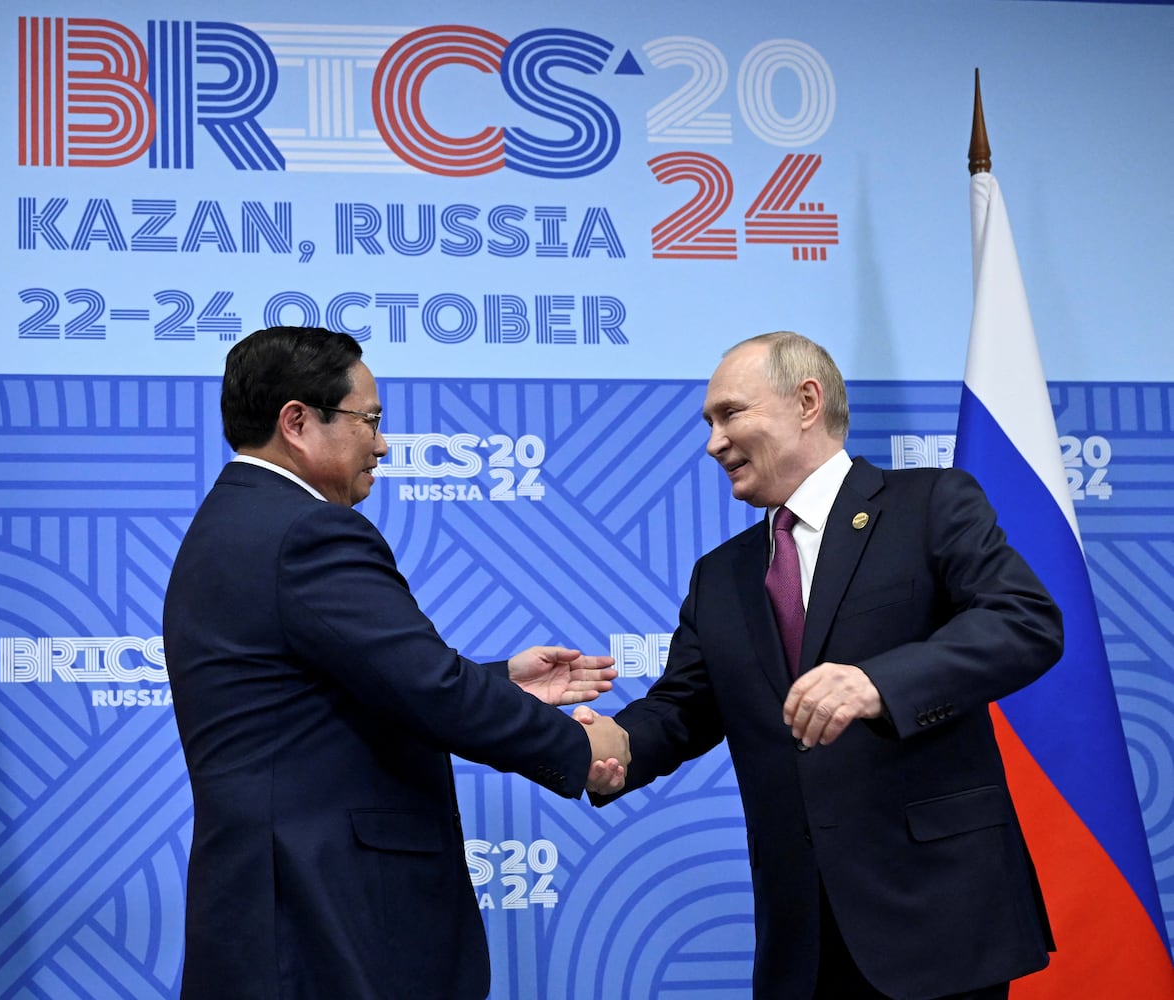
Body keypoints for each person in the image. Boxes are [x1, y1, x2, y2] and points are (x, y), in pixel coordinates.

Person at [578, 331, 1062, 999]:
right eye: (708, 423)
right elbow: (683, 710)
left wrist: (878, 682)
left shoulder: (930, 505)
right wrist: (607, 744)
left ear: (807, 401)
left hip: (937, 918)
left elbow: (1023, 623)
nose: (713, 443)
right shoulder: (721, 575)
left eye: (730, 414)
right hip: (801, 937)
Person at [163, 325, 630, 1000]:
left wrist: (502, 683)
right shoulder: (308, 531)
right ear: (297, 422)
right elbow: (428, 687)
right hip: (325, 913)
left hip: (267, 907)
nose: (381, 444)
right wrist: (579, 749)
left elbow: (342, 686)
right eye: (369, 421)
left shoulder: (229, 524)